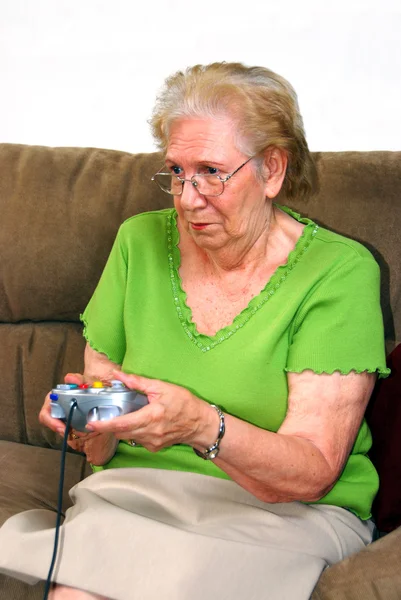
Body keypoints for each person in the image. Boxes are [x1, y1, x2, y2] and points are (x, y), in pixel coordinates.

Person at [0, 62, 389, 600]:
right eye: (176, 172)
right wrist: (86, 422)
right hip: (138, 496)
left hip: (284, 514)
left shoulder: (339, 272)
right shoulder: (137, 243)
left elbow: (313, 471)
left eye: (211, 171)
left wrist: (202, 426)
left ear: (272, 169)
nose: (187, 197)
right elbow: (101, 447)